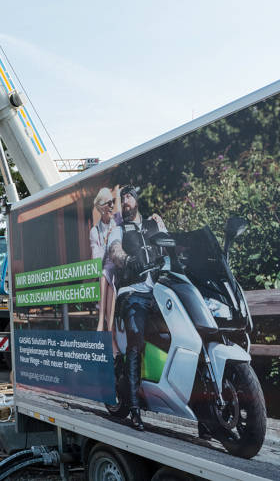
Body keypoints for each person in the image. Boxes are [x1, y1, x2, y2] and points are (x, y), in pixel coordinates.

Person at [109, 185, 168, 432]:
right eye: (122, 198)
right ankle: (134, 408)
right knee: (136, 341)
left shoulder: (155, 224)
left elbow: (170, 246)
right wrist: (128, 261)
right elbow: (114, 252)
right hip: (132, 293)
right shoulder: (118, 229)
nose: (125, 201)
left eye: (129, 197)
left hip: (159, 292)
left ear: (137, 200)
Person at [89, 186, 123, 332]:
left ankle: (101, 322)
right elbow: (96, 259)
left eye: (113, 202)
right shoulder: (95, 231)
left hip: (120, 267)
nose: (111, 206)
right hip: (107, 270)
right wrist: (106, 241)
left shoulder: (118, 220)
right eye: (108, 203)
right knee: (105, 276)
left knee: (105, 276)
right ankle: (110, 333)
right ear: (101, 207)